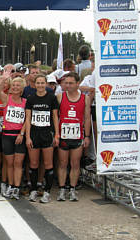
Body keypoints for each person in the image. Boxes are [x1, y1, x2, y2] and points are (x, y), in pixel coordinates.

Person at [25, 74, 59, 203]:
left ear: (45, 84)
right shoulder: (31, 98)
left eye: (42, 83)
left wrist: (56, 134)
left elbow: (55, 117)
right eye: (37, 83)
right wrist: (28, 137)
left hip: (47, 134)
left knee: (48, 164)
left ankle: (47, 192)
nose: (40, 85)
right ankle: (33, 190)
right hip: (34, 133)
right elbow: (27, 119)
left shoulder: (51, 98)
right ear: (34, 84)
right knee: (33, 164)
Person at [57, 72, 91, 201]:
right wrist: (56, 134)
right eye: (66, 83)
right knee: (62, 163)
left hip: (77, 136)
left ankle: (72, 188)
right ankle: (61, 189)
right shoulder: (60, 97)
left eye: (71, 83)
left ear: (78, 84)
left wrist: (87, 136)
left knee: (75, 163)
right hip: (63, 136)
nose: (68, 85)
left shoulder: (85, 98)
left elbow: (87, 118)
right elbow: (56, 117)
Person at [0, 75, 27, 199]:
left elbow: (27, 120)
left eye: (18, 85)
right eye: (13, 85)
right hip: (7, 135)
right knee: (9, 163)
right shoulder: (6, 99)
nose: (15, 87)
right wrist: (3, 79)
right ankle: (11, 185)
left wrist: (22, 134)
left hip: (19, 135)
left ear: (22, 88)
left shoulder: (25, 102)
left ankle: (17, 188)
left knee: (18, 163)